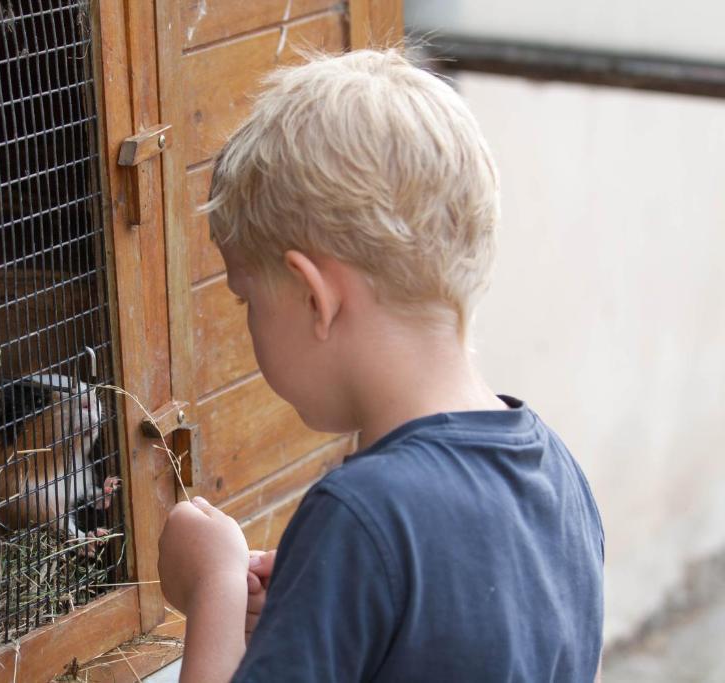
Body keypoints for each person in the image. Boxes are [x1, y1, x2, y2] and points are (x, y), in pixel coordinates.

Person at [157, 49, 604, 682]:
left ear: (315, 298)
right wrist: (320, 594)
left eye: (244, 298)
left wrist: (213, 590)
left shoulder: (358, 514)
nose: (246, 318)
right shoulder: (557, 477)